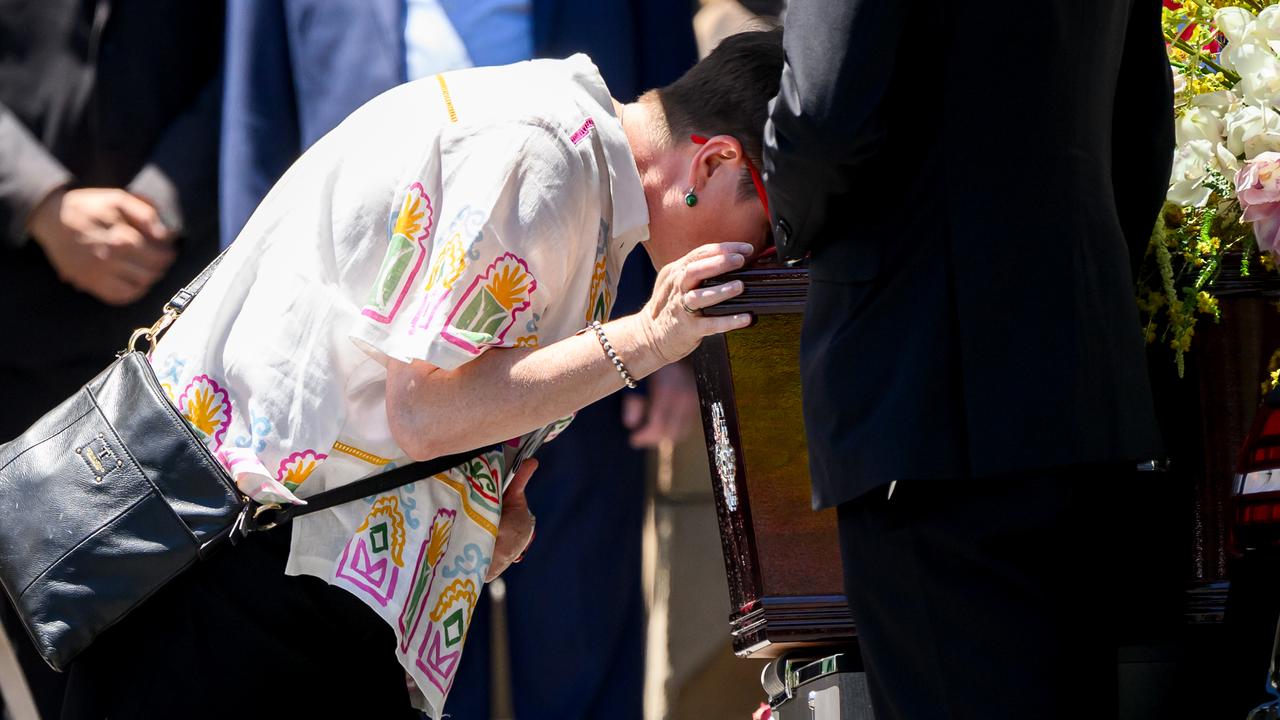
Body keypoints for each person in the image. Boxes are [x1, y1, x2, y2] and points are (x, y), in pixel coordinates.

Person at [61, 30, 783, 719]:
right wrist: (649, 338)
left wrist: (475, 507)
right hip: (233, 576)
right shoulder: (546, 152)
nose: (766, 265)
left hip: (272, 576)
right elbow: (424, 412)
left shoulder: (575, 159)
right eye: (773, 237)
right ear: (714, 162)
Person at [217, 3, 699, 715]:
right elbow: (256, 124)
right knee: (391, 667)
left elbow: (685, 109)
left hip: (586, 347)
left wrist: (672, 351)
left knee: (580, 639)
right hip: (361, 402)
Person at [761, 0, 1173, 718]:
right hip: (1079, 393)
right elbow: (1141, 126)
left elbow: (822, 117)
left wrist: (788, 223)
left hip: (926, 400)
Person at [0, 3, 223, 718]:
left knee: (187, 650)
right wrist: (38, 200)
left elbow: (255, 58)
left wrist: (162, 202)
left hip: (186, 320)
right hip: (14, 321)